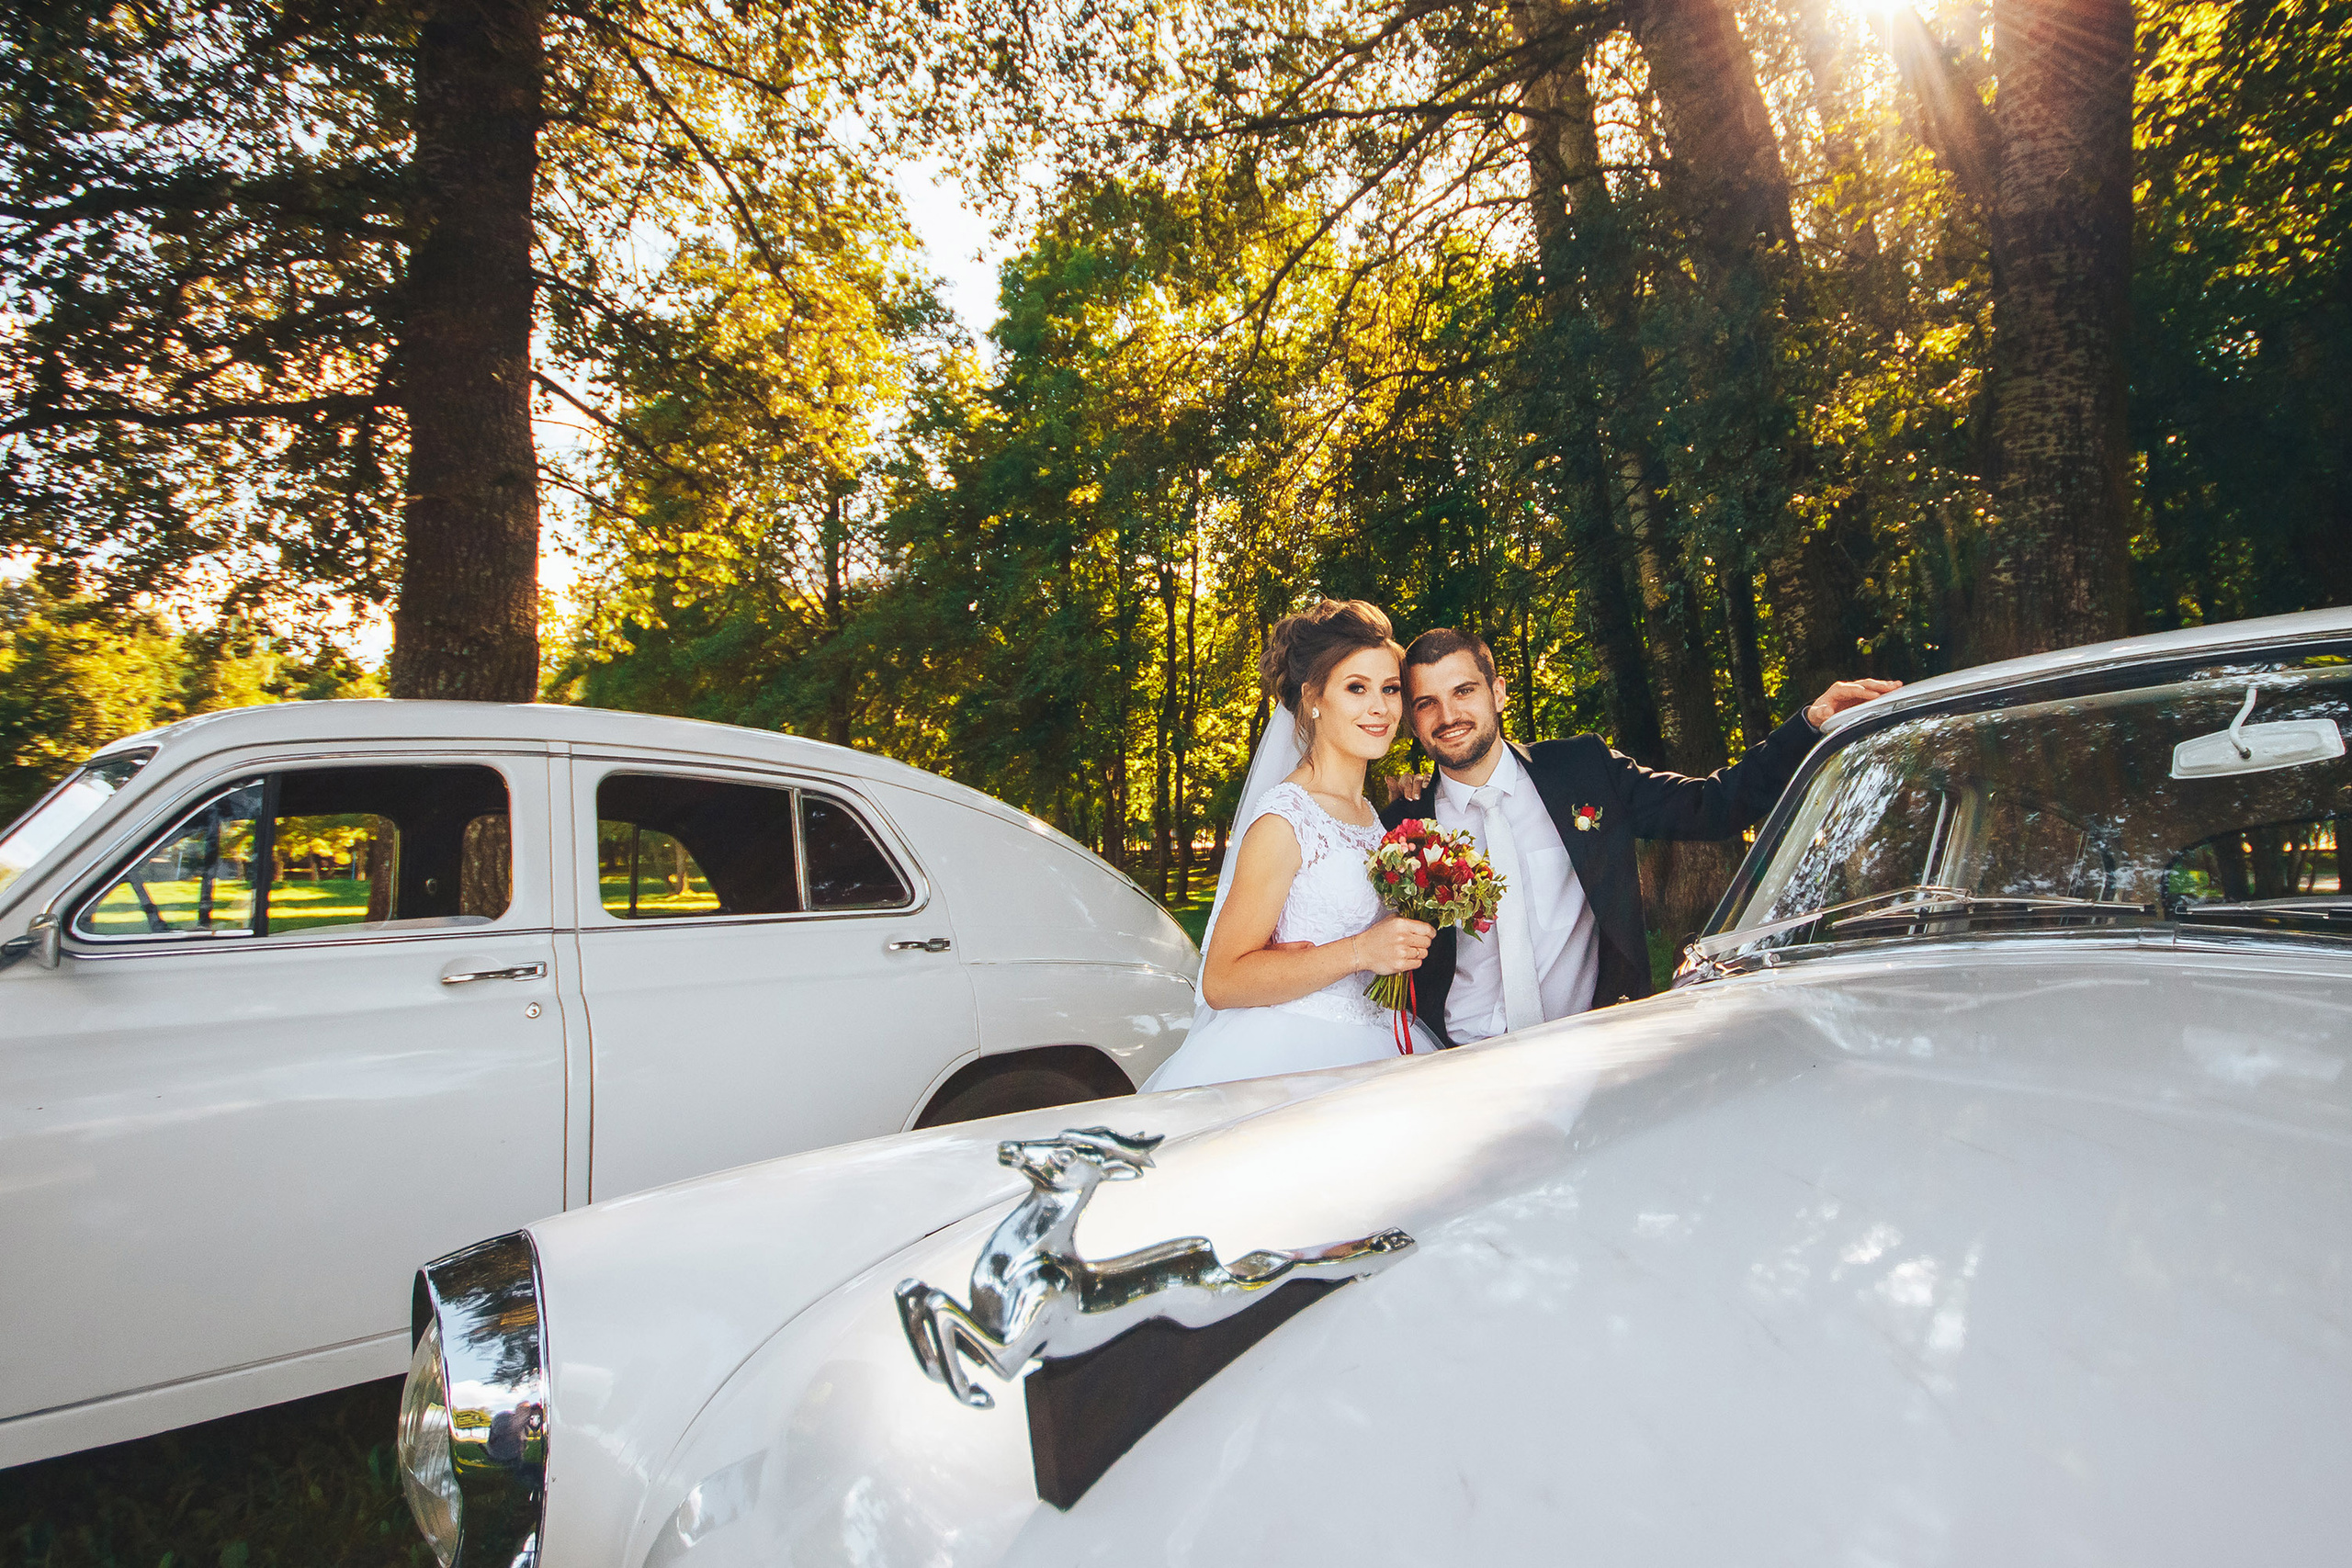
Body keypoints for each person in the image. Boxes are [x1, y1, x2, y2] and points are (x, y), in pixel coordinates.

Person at [1383, 627, 1898, 1047]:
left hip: (1592, 1046)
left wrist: (1808, 725)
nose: (1448, 717)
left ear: (1496, 692)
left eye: (1464, 691)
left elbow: (1711, 806)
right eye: (1427, 702)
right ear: (1411, 717)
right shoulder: (1399, 827)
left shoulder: (1582, 770)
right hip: (1456, 1062)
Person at [1143, 601, 1442, 1092]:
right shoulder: (1285, 820)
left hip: (1377, 1037)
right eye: (1356, 688)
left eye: (1390, 689)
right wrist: (1360, 950)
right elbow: (1221, 981)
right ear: (1313, 698)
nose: (1381, 708)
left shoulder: (1372, 816)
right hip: (1293, 1055)